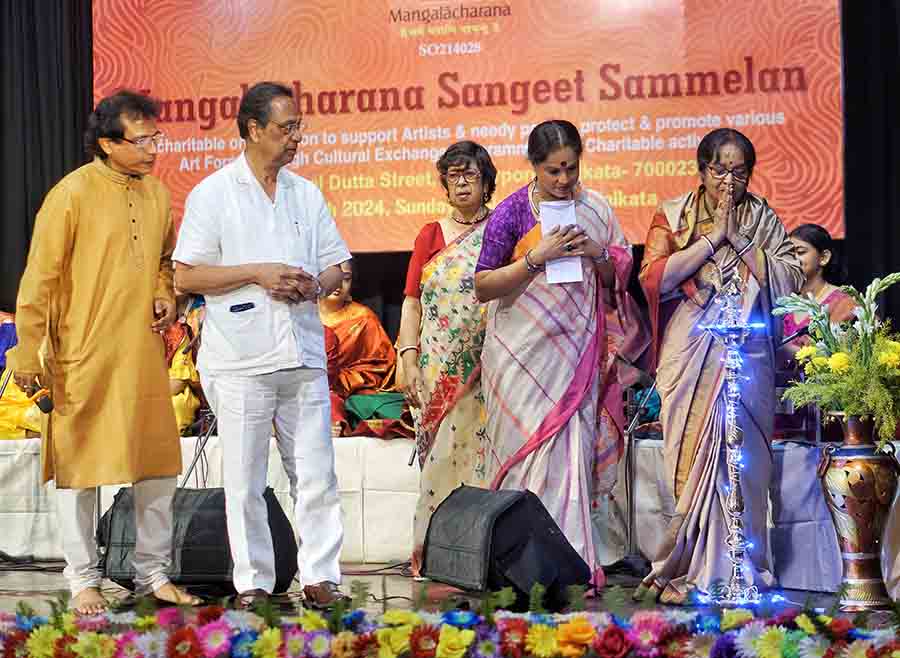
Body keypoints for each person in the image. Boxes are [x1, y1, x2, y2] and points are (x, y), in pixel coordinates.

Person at [6, 90, 200, 614]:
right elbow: (39, 279)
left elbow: (163, 260)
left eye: (157, 138)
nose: (154, 149)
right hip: (82, 352)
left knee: (156, 466)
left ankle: (152, 574)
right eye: (143, 140)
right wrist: (26, 351)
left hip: (140, 354)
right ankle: (82, 579)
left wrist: (164, 293)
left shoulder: (157, 194)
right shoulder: (70, 194)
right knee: (80, 469)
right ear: (109, 144)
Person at [173, 81, 351, 609]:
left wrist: (316, 285)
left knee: (316, 475)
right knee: (245, 480)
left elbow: (339, 264)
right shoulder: (214, 193)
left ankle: (321, 577)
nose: (296, 137)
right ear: (253, 129)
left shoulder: (306, 193)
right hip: (241, 357)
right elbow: (186, 276)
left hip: (303, 352)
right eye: (286, 127)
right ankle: (252, 583)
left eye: (298, 127)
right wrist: (258, 273)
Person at [636, 128, 803, 604]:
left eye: (739, 172)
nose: (729, 181)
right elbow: (653, 278)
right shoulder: (673, 214)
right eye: (719, 170)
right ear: (701, 170)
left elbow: (790, 278)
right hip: (690, 349)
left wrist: (742, 242)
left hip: (749, 351)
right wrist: (713, 240)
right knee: (692, 459)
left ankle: (742, 568)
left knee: (745, 461)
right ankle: (689, 567)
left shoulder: (763, 218)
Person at [474, 120, 642, 587]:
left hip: (575, 355)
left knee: (571, 458)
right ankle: (517, 567)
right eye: (553, 171)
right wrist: (536, 258)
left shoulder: (596, 209)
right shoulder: (512, 212)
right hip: (518, 357)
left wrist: (598, 253)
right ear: (534, 166)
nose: (564, 179)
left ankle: (570, 563)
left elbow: (616, 280)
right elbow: (483, 286)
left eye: (571, 168)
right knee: (524, 455)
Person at [397, 141, 499, 576]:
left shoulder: (501, 229)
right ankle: (434, 554)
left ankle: (482, 556)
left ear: (486, 182)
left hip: (489, 368)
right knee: (439, 459)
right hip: (438, 368)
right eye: (453, 175)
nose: (460, 183)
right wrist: (408, 360)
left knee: (482, 458)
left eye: (469, 174)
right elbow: (411, 302)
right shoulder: (431, 234)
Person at [318, 260, 398, 435]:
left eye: (346, 279)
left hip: (351, 393)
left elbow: (382, 367)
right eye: (331, 276)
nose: (338, 284)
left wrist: (341, 381)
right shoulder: (301, 315)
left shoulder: (363, 318)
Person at [780, 223, 855, 358]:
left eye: (800, 252)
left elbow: (839, 358)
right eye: (789, 253)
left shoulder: (844, 303)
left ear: (824, 257)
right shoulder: (785, 303)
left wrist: (783, 348)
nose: (792, 259)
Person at [163, 295, 205, 434]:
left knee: (176, 407)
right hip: (151, 391)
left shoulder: (185, 327)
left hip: (184, 392)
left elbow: (178, 383)